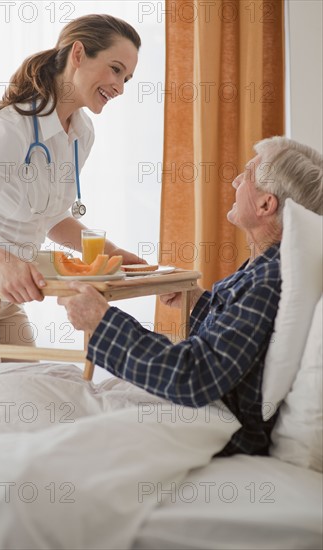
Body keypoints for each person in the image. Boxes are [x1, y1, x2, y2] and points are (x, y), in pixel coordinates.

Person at [59, 137, 323, 456]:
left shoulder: (267, 281)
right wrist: (197, 302)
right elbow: (235, 344)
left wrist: (102, 322)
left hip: (221, 428)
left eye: (248, 174)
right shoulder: (264, 270)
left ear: (266, 205)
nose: (236, 180)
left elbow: (194, 376)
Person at [0, 14, 144, 367]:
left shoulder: (82, 134)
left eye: (126, 78)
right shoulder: (10, 129)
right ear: (78, 53)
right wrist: (4, 262)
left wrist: (113, 253)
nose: (120, 87)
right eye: (115, 69)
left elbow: (49, 217)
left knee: (28, 394)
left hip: (7, 292)